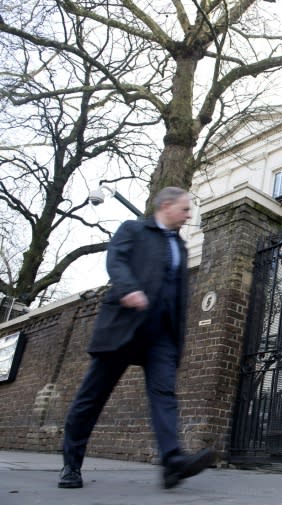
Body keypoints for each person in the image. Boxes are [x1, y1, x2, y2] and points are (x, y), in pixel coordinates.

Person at [58, 186, 215, 489]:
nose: (189, 214)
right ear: (166, 206)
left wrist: (177, 339)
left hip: (161, 336)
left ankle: (172, 464)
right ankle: (71, 465)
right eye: (184, 209)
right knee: (92, 398)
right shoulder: (133, 229)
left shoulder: (180, 247)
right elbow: (116, 261)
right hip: (124, 325)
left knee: (164, 396)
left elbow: (179, 294)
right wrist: (129, 288)